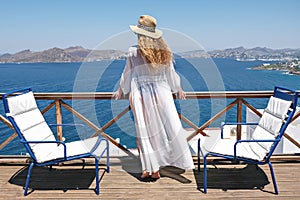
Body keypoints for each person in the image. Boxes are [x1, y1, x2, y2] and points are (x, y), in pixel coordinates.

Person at [114, 15, 194, 179]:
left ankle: (150, 168)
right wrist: (177, 87)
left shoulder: (132, 52)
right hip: (162, 93)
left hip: (141, 94)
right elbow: (170, 74)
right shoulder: (164, 52)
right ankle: (165, 165)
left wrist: (122, 89)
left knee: (145, 132)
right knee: (168, 129)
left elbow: (127, 73)